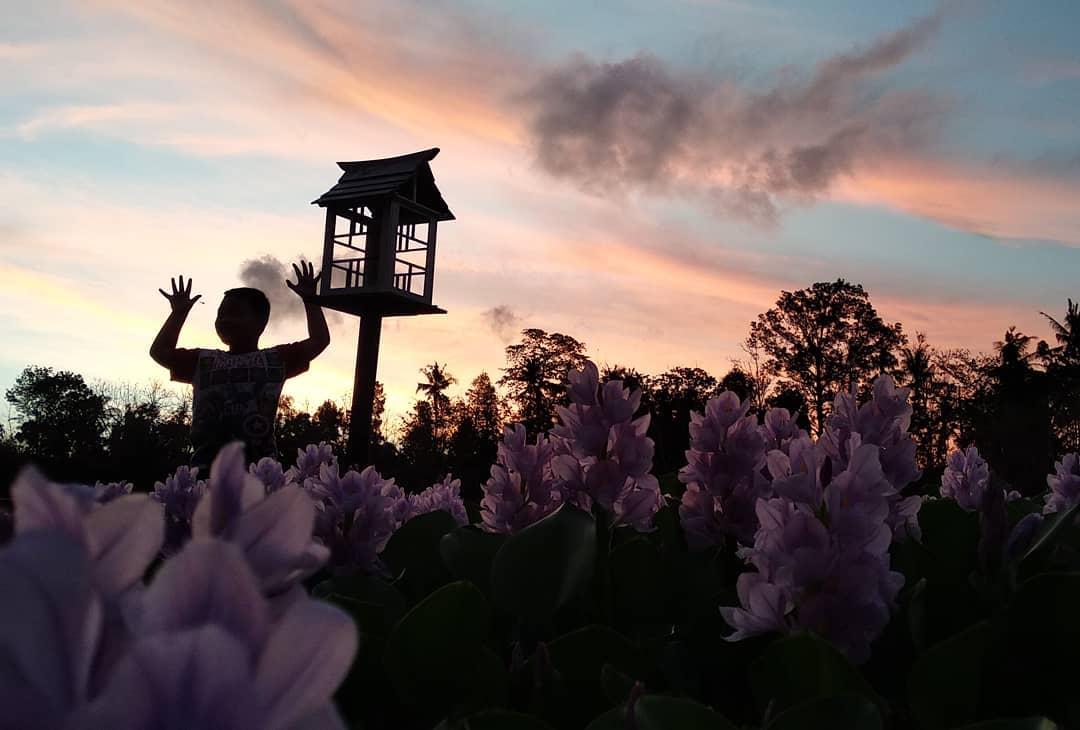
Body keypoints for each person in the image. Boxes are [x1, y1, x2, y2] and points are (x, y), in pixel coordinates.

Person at [150, 261, 330, 471]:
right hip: (206, 472)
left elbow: (319, 340)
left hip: (259, 473)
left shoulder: (275, 359)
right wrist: (178, 313)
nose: (224, 319)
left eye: (234, 312)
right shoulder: (202, 361)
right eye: (220, 313)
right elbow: (160, 352)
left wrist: (311, 300)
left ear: (260, 321)